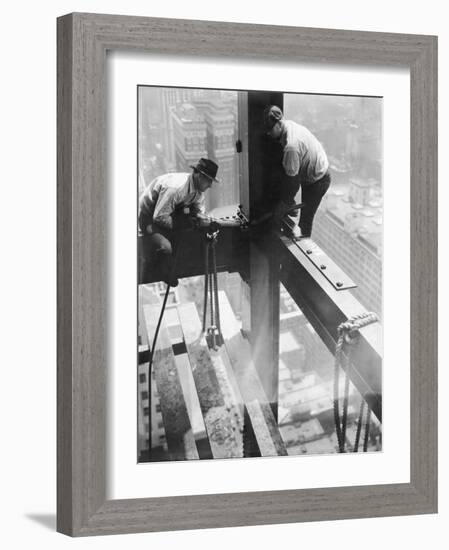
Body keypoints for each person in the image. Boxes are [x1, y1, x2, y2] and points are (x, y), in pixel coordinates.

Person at [138, 158, 219, 286]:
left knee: (187, 235)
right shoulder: (176, 188)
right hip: (148, 218)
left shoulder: (198, 192)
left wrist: (205, 221)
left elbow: (198, 213)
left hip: (170, 215)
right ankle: (163, 271)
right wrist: (184, 223)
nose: (210, 185)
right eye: (209, 180)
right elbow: (159, 217)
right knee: (166, 246)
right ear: (198, 175)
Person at [263, 105, 331, 239]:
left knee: (305, 220)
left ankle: (304, 250)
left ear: (279, 123)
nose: (268, 133)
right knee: (287, 201)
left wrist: (285, 204)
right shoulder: (289, 126)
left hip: (318, 180)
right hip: (310, 172)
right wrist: (288, 202)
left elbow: (292, 182)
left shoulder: (291, 146)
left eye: (270, 129)